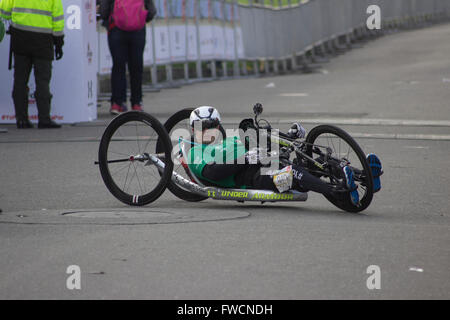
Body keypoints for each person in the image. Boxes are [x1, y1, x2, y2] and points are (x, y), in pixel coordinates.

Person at [187, 106, 383, 207]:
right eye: (203, 127)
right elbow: (212, 173)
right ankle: (340, 191)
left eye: (212, 125)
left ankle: (364, 175)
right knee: (292, 173)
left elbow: (260, 140)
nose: (208, 130)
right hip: (253, 179)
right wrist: (246, 159)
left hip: (266, 162)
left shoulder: (229, 141)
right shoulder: (196, 152)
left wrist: (287, 136)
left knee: (316, 161)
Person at [0, 0, 64, 129]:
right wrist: (59, 41)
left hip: (20, 37)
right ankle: (44, 119)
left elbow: (5, 12)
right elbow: (57, 18)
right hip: (43, 40)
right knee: (42, 81)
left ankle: (22, 119)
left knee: (20, 80)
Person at [100, 0, 156, 115]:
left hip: (116, 29)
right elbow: (152, 11)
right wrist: (140, 19)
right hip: (138, 30)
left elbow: (104, 11)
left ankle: (117, 103)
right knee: (136, 67)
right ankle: (136, 103)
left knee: (118, 66)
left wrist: (108, 18)